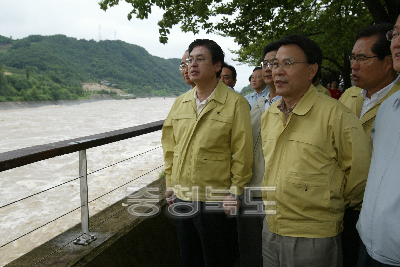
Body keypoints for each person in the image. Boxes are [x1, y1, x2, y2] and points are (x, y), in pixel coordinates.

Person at [260, 34, 372, 267]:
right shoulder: (270, 114)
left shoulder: (335, 114)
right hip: (270, 227)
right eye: (274, 64)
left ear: (311, 71)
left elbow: (360, 175)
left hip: (313, 234)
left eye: (287, 63)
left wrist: (327, 204)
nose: (277, 71)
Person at [162, 39, 253, 267]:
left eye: (200, 59)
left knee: (217, 258)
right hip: (183, 194)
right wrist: (171, 183)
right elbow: (170, 148)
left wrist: (236, 192)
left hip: (216, 199)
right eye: (189, 60)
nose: (192, 64)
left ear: (217, 66)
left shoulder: (236, 103)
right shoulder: (180, 103)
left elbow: (242, 152)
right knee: (189, 257)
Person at [339, 23, 399, 267]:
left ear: (388, 62)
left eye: (362, 58)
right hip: (346, 209)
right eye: (353, 57)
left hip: (382, 220)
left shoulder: (394, 103)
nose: (354, 66)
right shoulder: (349, 96)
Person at [356, 18, 400, 267]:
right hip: (368, 240)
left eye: (362, 58)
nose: (397, 42)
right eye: (395, 34)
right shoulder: (389, 109)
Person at [236, 41, 282, 267]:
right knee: (251, 248)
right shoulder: (258, 104)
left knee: (274, 251)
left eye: (275, 63)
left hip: (276, 193)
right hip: (250, 188)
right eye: (265, 63)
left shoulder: (293, 106)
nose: (267, 68)